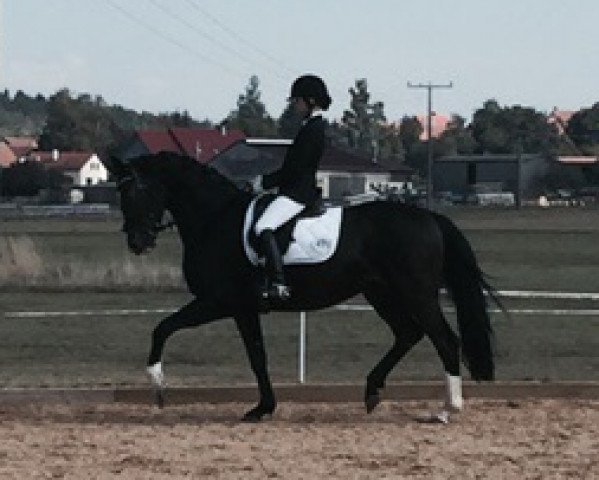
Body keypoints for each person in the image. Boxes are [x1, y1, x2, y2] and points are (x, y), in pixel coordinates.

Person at [253, 74, 332, 302]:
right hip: (295, 189)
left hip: (298, 193)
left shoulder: (314, 129)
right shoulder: (310, 126)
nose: (294, 105)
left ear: (310, 101)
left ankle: (279, 283)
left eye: (297, 101)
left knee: (263, 227)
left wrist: (264, 182)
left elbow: (295, 169)